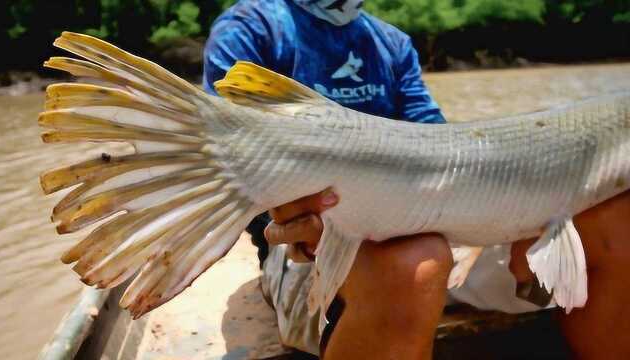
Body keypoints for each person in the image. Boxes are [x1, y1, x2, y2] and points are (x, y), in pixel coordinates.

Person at [203, 1, 630, 359]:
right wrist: (295, 220)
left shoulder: (391, 44)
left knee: (615, 222)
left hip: (434, 229)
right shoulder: (252, 28)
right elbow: (231, 162)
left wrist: (524, 212)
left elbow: (445, 150)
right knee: (416, 264)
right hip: (308, 251)